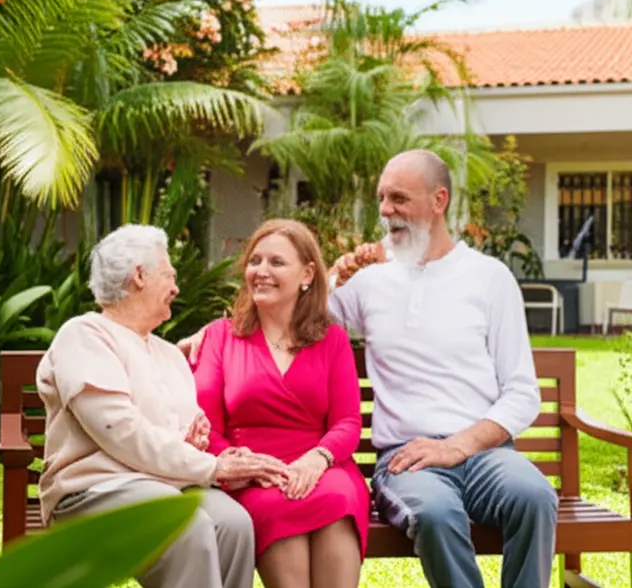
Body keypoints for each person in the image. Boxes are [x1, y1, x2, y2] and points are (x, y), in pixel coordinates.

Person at [182, 150, 558, 588]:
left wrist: (458, 445)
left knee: (535, 497)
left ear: (439, 200)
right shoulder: (370, 284)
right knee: (436, 515)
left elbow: (522, 392)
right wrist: (211, 332)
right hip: (405, 459)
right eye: (382, 198)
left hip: (486, 453)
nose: (385, 211)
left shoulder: (490, 278)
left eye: (398, 198)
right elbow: (289, 313)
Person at [36, 224, 289, 588]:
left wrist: (194, 441)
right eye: (170, 276)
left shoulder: (168, 353)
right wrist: (212, 466)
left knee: (233, 524)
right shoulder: (84, 335)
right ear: (139, 276)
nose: (176, 288)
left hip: (165, 485)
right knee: (185, 523)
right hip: (93, 491)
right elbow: (120, 432)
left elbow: (175, 434)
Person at [191, 218, 370, 588]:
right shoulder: (219, 337)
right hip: (252, 475)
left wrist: (316, 460)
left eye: (276, 262)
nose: (261, 271)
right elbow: (208, 426)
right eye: (255, 261)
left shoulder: (331, 339)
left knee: (339, 501)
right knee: (277, 505)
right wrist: (247, 466)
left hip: (322, 466)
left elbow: (348, 422)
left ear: (307, 274)